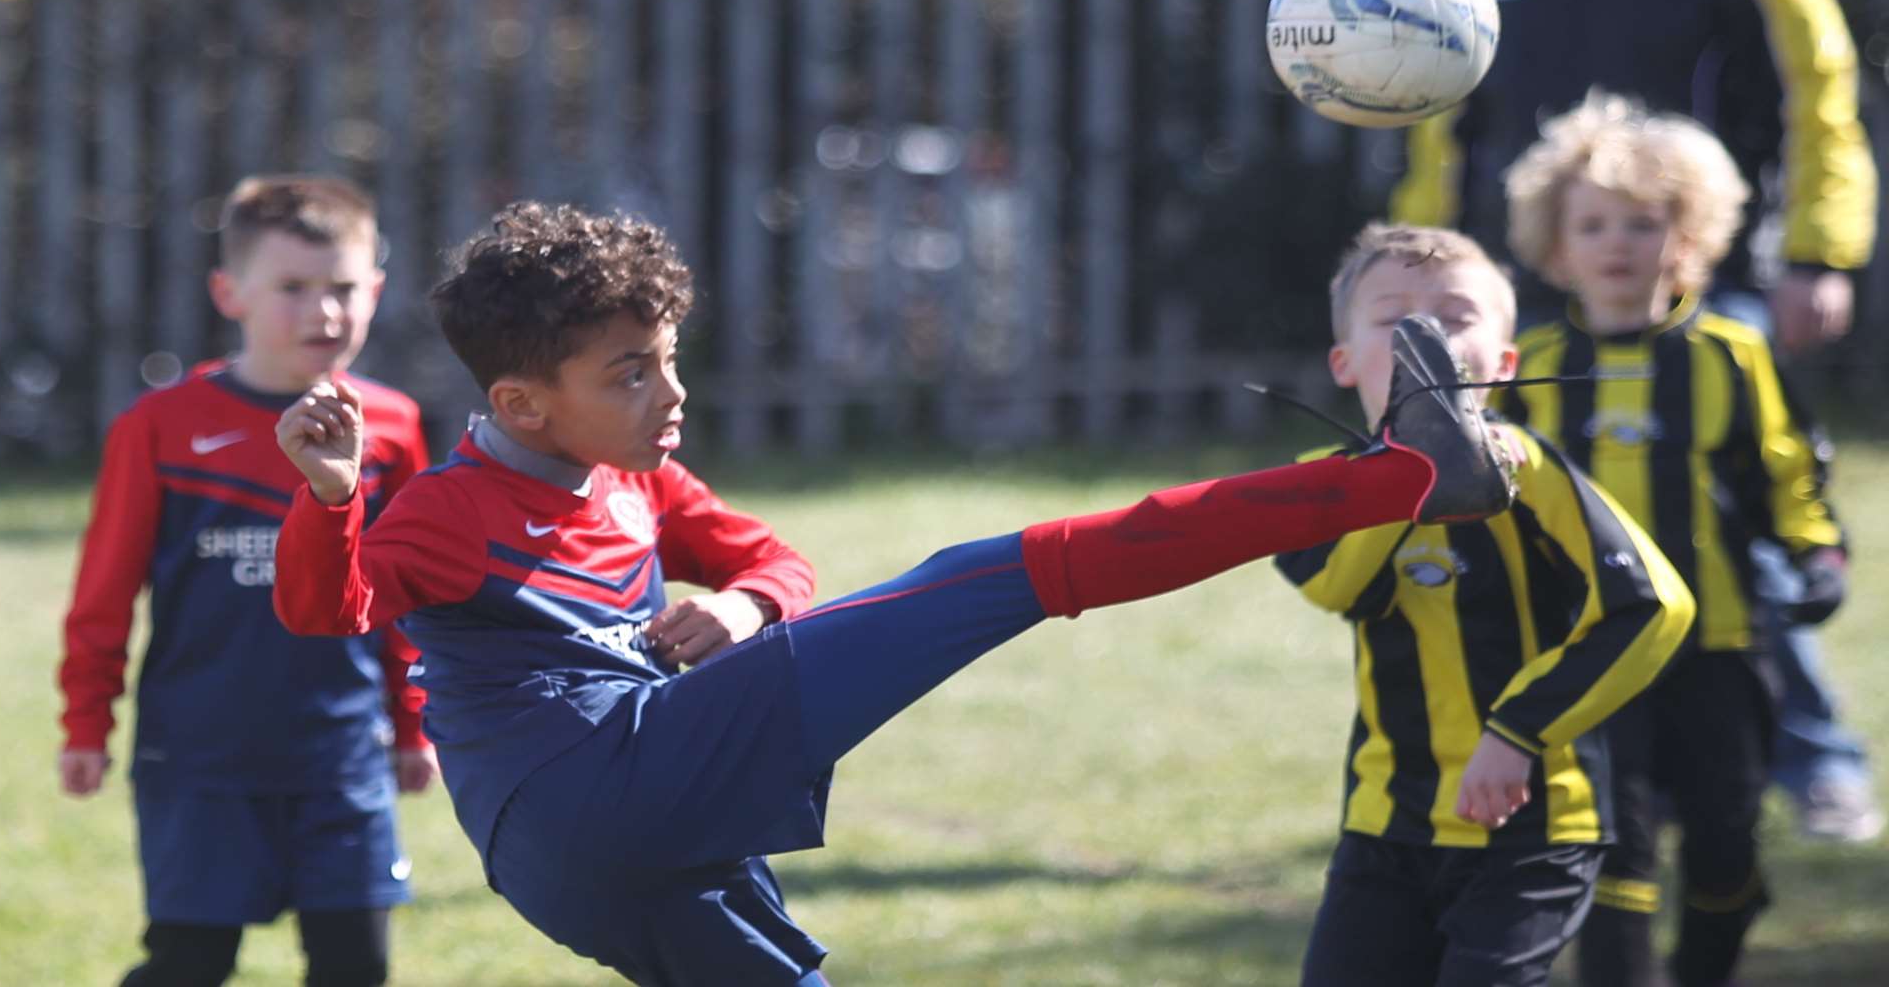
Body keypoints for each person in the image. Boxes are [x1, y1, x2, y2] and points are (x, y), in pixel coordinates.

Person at [269, 201, 1519, 985]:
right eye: (630, 373)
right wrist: (330, 495)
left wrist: (750, 609)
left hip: (583, 857)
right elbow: (329, 613)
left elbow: (778, 564)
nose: (669, 393)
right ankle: (1406, 475)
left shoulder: (634, 477)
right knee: (998, 573)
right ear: (523, 408)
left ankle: (1408, 473)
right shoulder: (442, 507)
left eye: (667, 361)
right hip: (603, 782)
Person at [1393, 0, 1881, 841]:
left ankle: (1815, 760)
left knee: (1728, 522)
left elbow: (1817, 90)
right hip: (1533, 294)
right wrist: (1432, 269)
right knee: (1539, 535)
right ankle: (1569, 754)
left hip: (1703, 289)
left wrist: (1821, 249)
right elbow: (1445, 130)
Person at [1271, 223, 1694, 987]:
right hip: (1384, 827)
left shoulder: (1533, 475)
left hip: (1534, 831)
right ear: (1343, 363)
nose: (1425, 337)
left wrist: (1518, 730)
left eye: (1455, 319)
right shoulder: (1321, 482)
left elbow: (1655, 607)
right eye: (1397, 319)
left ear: (1504, 364)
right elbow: (1337, 586)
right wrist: (1410, 474)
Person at [1499, 93, 1849, 987]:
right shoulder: (1525, 369)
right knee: (1614, 846)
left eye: (1643, 224)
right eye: (1594, 226)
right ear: (1555, 244)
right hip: (1585, 649)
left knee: (1727, 844)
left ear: (1688, 235)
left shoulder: (1730, 354)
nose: (1618, 245)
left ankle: (1707, 964)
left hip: (1720, 644)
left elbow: (1785, 473)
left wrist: (1818, 553)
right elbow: (1489, 503)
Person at [57, 175, 437, 987]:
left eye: (342, 288)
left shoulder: (394, 426)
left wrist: (414, 725)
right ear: (229, 291)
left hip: (341, 754)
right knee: (190, 962)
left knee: (355, 964)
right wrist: (86, 721)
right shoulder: (158, 426)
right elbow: (105, 589)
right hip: (199, 755)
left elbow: (406, 596)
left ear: (375, 290)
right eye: (293, 288)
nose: (324, 312)